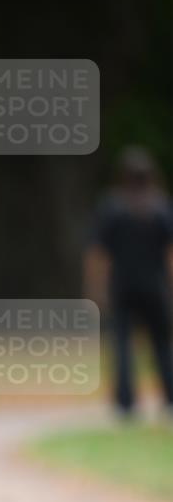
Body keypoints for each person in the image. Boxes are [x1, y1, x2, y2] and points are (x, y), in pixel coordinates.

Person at [85, 146, 173, 417]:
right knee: (162, 344)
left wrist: (95, 288)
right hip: (154, 287)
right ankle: (170, 398)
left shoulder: (113, 207)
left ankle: (125, 404)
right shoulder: (159, 207)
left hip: (122, 287)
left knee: (121, 345)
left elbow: (97, 253)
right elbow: (170, 252)